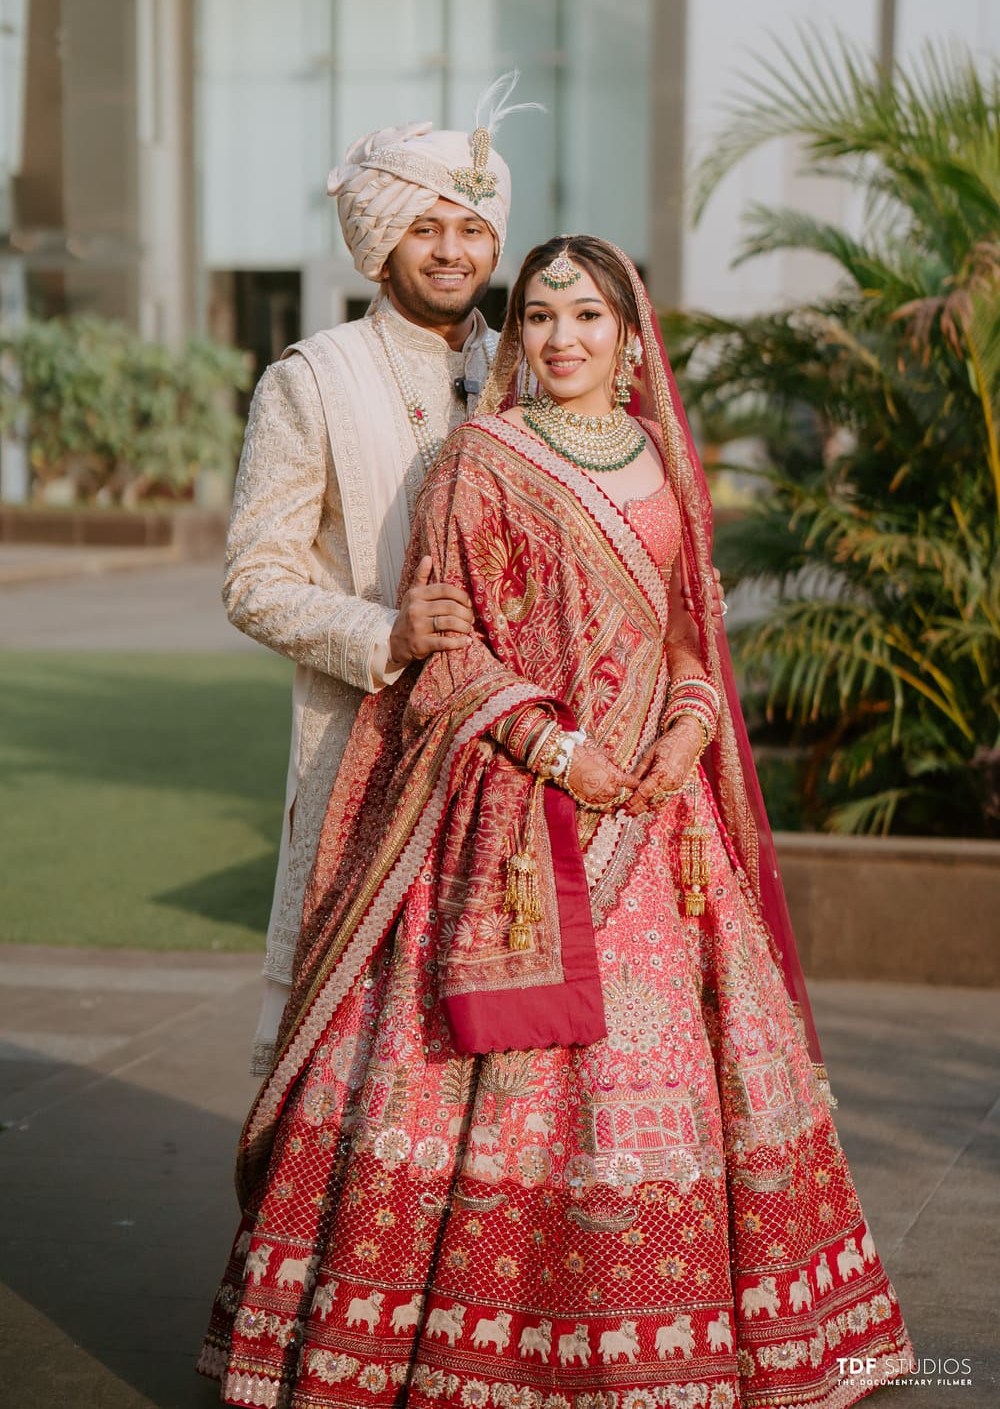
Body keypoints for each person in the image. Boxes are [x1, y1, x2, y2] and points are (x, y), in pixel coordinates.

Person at [200, 236, 911, 1408]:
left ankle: (692, 1345)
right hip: (518, 816)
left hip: (662, 817)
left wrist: (688, 723)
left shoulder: (663, 458)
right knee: (504, 1078)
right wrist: (555, 747)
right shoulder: (480, 457)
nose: (562, 337)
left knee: (679, 1078)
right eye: (538, 316)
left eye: (586, 316)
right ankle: (478, 1351)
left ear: (630, 334)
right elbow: (450, 654)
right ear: (517, 332)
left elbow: (686, 631)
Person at [223, 77, 537, 1074]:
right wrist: (385, 632)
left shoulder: (536, 373)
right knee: (355, 1044)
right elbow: (253, 579)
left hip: (518, 757)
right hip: (367, 749)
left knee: (511, 1032)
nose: (452, 250)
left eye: (473, 229)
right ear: (382, 240)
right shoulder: (312, 377)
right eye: (425, 227)